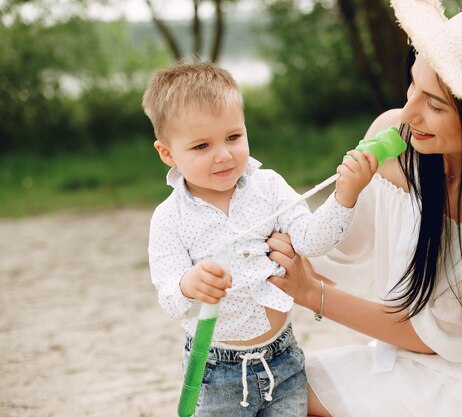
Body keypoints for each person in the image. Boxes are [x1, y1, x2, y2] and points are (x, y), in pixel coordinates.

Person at [267, 0, 462, 416]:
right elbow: (336, 256)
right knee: (268, 390)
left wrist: (309, 292)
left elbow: (439, 338)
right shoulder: (394, 144)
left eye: (434, 104)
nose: (409, 112)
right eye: (413, 85)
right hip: (397, 360)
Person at [142, 62, 377, 416]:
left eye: (233, 137)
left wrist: (345, 195)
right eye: (202, 145)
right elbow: (170, 299)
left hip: (282, 359)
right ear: (167, 154)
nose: (223, 154)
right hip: (215, 370)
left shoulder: (268, 187)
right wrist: (189, 284)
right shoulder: (169, 219)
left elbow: (312, 241)